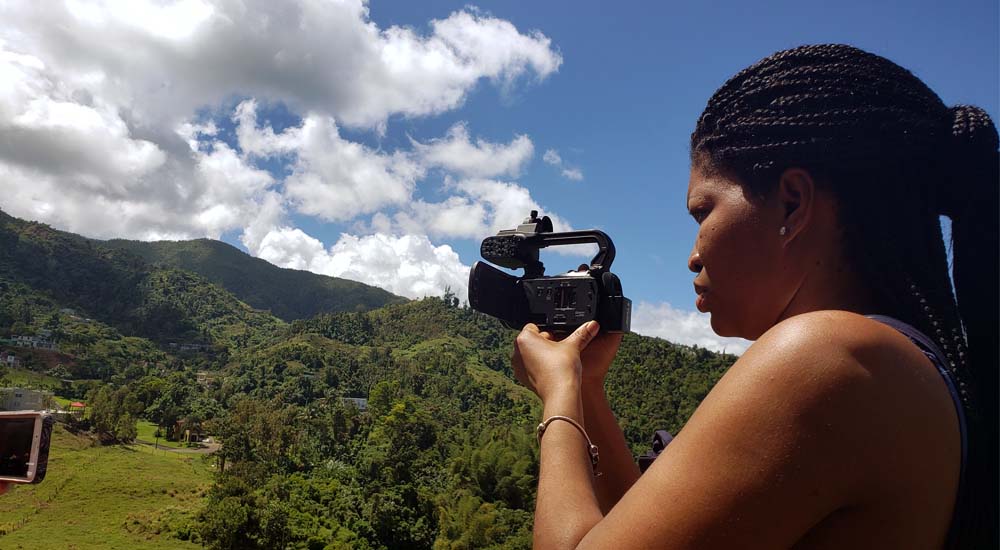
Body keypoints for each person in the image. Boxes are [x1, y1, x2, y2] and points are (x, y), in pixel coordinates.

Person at [511, 44, 997, 549]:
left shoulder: (830, 357)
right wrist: (589, 387)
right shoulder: (898, 369)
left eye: (704, 214)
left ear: (792, 202)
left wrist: (559, 393)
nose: (693, 256)